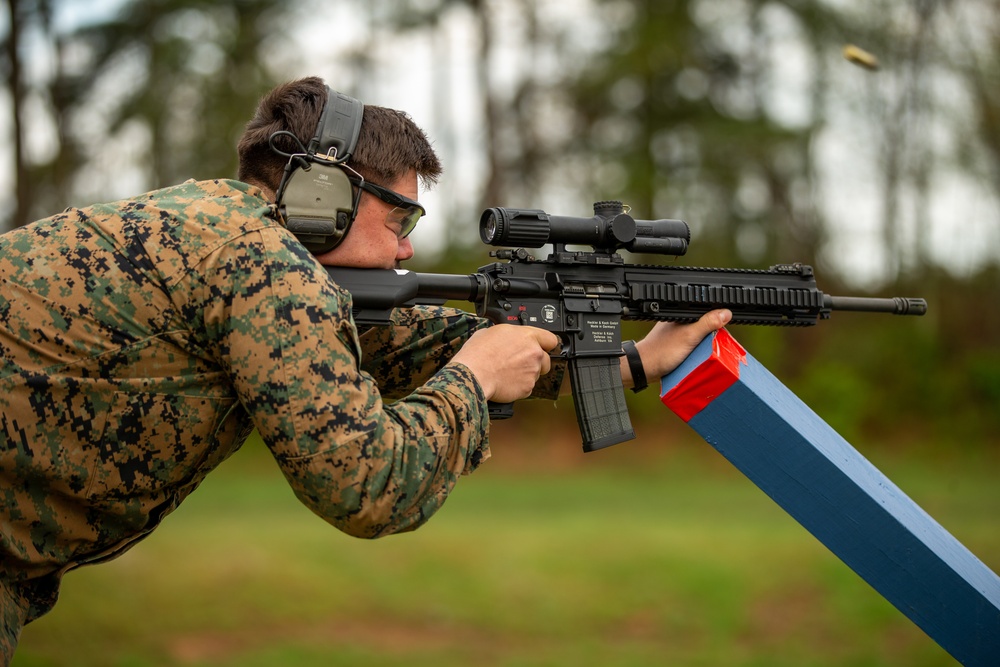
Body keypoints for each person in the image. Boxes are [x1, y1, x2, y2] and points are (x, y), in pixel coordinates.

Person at [0, 76, 730, 662]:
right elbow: (367, 481)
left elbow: (404, 341)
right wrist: (473, 380)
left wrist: (627, 360)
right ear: (325, 195)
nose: (408, 249)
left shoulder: (218, 224)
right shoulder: (262, 262)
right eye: (401, 219)